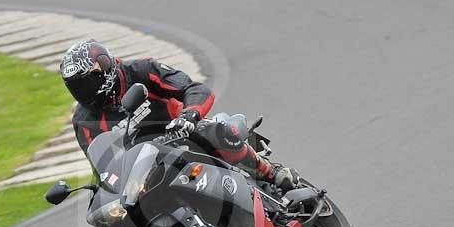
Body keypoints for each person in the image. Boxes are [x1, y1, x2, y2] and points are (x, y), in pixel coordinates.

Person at [60, 39, 300, 190]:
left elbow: (194, 89)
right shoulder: (84, 121)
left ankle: (270, 172)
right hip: (150, 165)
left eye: (87, 83)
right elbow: (102, 166)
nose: (83, 92)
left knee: (211, 131)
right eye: (76, 87)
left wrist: (189, 116)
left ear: (104, 70)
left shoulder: (141, 70)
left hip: (184, 133)